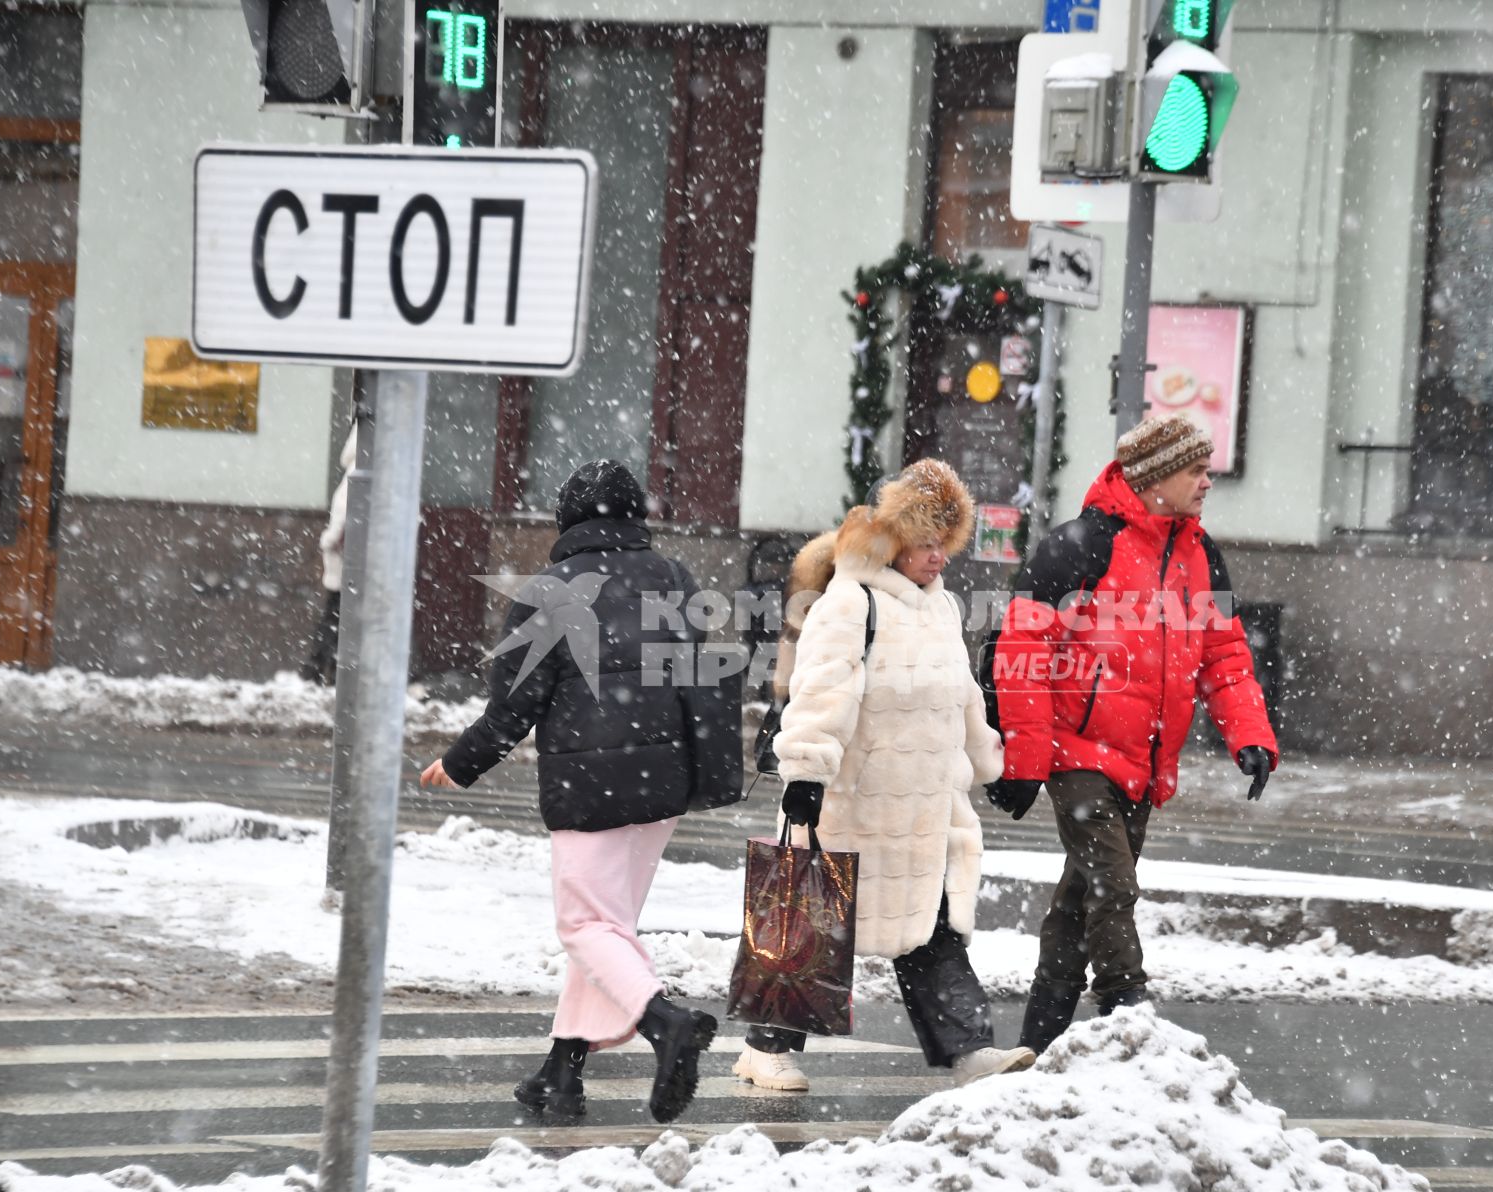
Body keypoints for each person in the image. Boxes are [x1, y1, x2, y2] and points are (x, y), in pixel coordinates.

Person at [419, 459, 718, 1125]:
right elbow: (702, 678)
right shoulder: (673, 578)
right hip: (662, 786)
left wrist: (461, 763)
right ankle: (562, 1074)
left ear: (567, 520)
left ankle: (664, 1022)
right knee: (607, 926)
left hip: (591, 787)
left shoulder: (548, 591)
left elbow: (513, 706)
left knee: (586, 927)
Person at [734, 458, 1036, 1092]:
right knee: (814, 925)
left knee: (932, 930)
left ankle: (969, 1049)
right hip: (858, 803)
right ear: (891, 540)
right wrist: (807, 773)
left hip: (929, 807)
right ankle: (766, 1047)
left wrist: (991, 765)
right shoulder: (850, 603)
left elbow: (963, 698)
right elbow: (821, 693)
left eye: (944, 544)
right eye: (926, 543)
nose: (938, 558)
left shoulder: (942, 608)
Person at [986, 413, 1280, 1054]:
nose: (1208, 481)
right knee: (1113, 885)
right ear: (1155, 477)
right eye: (1196, 470)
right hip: (1078, 755)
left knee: (1077, 902)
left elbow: (1225, 655)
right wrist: (1026, 762)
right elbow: (1020, 651)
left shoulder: (1202, 555)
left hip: (1145, 765)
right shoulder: (1081, 546)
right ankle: (1131, 1009)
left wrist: (1249, 735)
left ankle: (1039, 1045)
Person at [300, 427, 356, 685]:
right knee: (338, 617)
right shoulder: (361, 472)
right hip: (350, 563)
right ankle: (324, 669)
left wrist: (329, 540)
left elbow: (342, 515)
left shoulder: (353, 473)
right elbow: (344, 517)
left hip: (344, 563)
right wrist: (331, 539)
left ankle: (320, 669)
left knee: (334, 616)